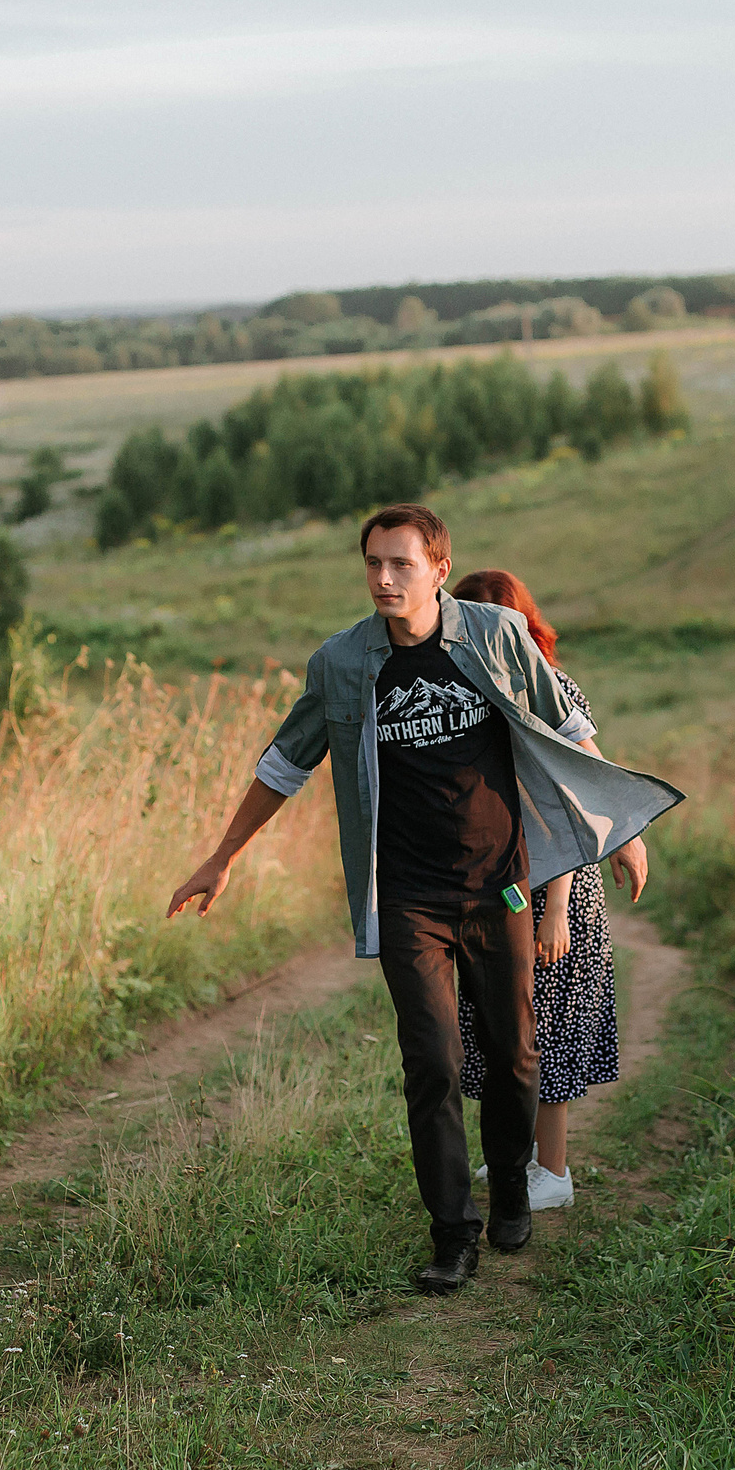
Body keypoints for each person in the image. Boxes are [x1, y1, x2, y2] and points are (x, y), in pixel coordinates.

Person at [166, 503, 681, 1295]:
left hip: (501, 883)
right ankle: (453, 1234)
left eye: (401, 563)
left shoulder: (496, 636)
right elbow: (283, 763)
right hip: (408, 896)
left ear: (439, 568)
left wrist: (621, 829)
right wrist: (221, 854)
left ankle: (512, 1186)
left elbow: (570, 722)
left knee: (514, 1055)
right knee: (432, 1062)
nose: (383, 578)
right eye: (373, 563)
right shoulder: (342, 663)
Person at [449, 571, 622, 1212]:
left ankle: (553, 1172)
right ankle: (513, 1160)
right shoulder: (459, 693)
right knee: (502, 1026)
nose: (492, 631)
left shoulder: (547, 686)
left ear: (524, 624)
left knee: (548, 1031)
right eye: (477, 616)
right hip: (493, 881)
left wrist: (555, 909)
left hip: (556, 883)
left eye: (505, 618)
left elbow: (570, 795)